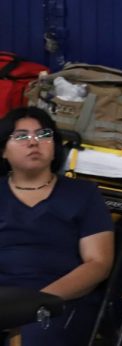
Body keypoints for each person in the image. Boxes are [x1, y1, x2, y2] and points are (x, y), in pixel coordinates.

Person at [0, 106, 114, 346]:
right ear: (3, 151)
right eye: (21, 136)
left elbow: (98, 264)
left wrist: (40, 301)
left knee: (34, 337)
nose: (34, 142)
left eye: (43, 135)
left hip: (60, 301)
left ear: (54, 148)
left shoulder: (83, 194)